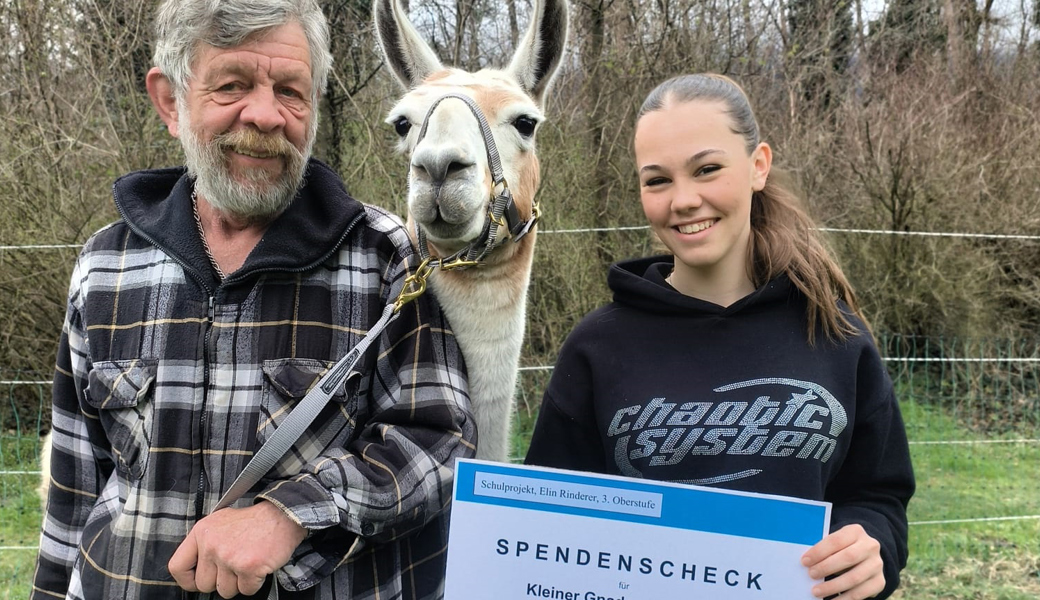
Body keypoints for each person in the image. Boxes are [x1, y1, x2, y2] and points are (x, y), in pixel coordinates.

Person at [32, 1, 474, 598]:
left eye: (290, 90)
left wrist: (289, 513)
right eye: (232, 85)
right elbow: (74, 486)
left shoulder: (384, 259)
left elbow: (438, 444)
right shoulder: (106, 265)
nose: (266, 115)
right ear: (171, 100)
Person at [524, 73, 914, 600]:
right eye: (657, 180)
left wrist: (873, 551)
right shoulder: (597, 346)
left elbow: (877, 495)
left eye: (707, 169)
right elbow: (550, 522)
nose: (683, 200)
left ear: (758, 166)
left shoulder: (835, 332)